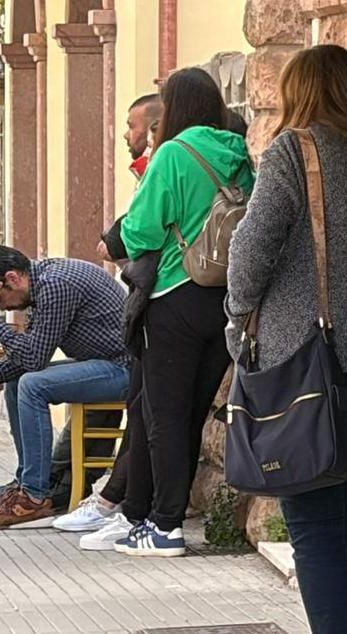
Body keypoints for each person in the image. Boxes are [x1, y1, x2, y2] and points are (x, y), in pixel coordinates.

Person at [224, 45, 347, 633]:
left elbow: (248, 253)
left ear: (300, 94)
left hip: (308, 376)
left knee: (314, 529)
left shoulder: (295, 149)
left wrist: (238, 315)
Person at [111, 67, 254, 557]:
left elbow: (141, 231)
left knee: (163, 416)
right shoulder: (240, 153)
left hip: (175, 293)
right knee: (192, 414)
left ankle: (165, 524)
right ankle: (162, 518)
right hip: (226, 298)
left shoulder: (173, 154)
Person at [55, 94, 162, 547]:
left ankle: (119, 504)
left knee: (152, 414)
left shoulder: (168, 163)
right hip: (150, 308)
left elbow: (143, 228)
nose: (128, 134)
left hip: (161, 305)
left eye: (134, 126)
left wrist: (116, 242)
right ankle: (105, 497)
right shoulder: (152, 166)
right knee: (145, 411)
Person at [0, 245, 130, 530]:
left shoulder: (56, 285)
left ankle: (34, 498)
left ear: (12, 278)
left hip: (124, 369)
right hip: (103, 364)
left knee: (32, 385)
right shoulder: (43, 285)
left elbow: (34, 358)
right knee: (18, 381)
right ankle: (26, 484)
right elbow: (31, 351)